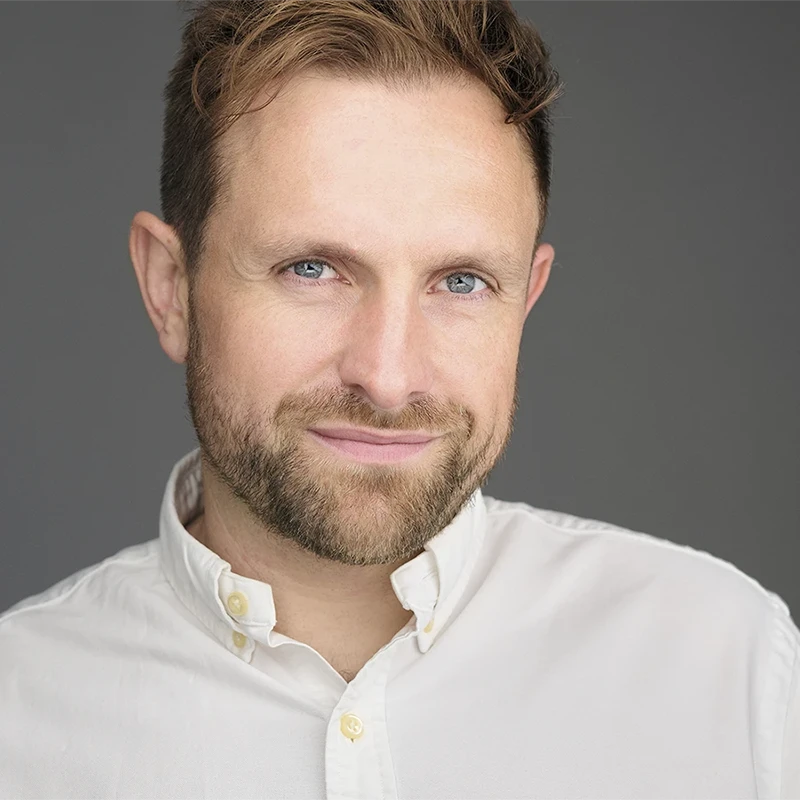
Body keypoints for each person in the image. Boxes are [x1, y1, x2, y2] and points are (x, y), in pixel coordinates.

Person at [1, 0, 797, 796]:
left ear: (526, 299)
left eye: (461, 282)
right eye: (311, 269)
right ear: (171, 288)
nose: (387, 377)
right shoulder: (20, 717)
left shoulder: (729, 670)